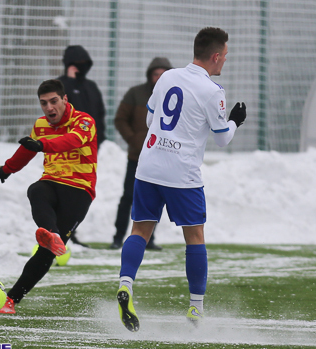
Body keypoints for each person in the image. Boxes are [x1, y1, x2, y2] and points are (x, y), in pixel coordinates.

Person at [116, 27, 246, 332]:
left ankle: (126, 285)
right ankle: (196, 309)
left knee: (140, 229)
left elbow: (150, 120)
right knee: (195, 237)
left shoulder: (168, 77)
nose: (225, 61)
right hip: (182, 173)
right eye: (225, 56)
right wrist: (235, 122)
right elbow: (223, 139)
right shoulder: (213, 91)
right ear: (216, 56)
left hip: (148, 166)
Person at [0, 79, 98, 314]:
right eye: (43, 103)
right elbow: (27, 150)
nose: (49, 108)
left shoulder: (84, 121)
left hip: (79, 189)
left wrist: (41, 145)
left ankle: (12, 299)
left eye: (54, 101)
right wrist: (6, 170)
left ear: (65, 100)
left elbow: (70, 141)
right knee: (36, 189)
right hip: (51, 182)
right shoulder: (40, 125)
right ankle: (53, 234)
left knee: (45, 254)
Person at [110, 57, 173, 251]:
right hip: (136, 157)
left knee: (154, 200)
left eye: (163, 74)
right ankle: (118, 237)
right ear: (149, 75)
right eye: (156, 74)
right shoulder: (135, 94)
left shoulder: (174, 96)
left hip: (160, 157)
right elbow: (120, 119)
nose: (158, 78)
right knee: (128, 197)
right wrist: (135, 139)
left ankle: (149, 239)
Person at [57, 45, 106, 247]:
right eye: (77, 64)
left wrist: (99, 140)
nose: (81, 68)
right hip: (66, 150)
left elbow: (99, 115)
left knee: (80, 193)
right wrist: (69, 80)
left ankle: (69, 232)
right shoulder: (59, 85)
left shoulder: (91, 87)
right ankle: (59, 233)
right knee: (63, 190)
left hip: (88, 151)